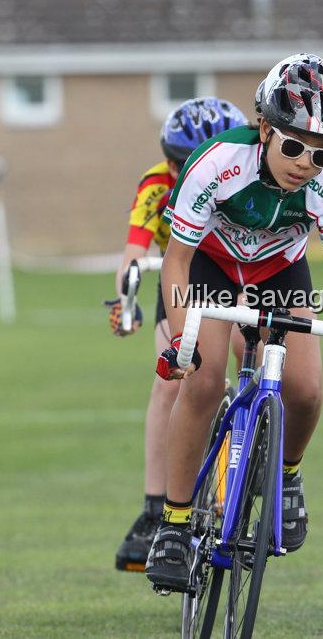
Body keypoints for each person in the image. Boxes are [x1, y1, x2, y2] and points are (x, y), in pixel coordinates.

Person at [145, 54, 323, 592]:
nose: (306, 163)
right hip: (211, 265)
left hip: (281, 269)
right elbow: (176, 262)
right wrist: (184, 340)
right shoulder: (215, 162)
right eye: (294, 145)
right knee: (203, 381)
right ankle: (175, 524)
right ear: (265, 130)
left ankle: (289, 476)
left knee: (306, 390)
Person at [108, 96, 248, 572]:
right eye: (176, 162)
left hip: (241, 275)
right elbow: (134, 251)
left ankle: (254, 459)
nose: (184, 171)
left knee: (246, 349)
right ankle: (154, 508)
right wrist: (125, 302)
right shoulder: (156, 184)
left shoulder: (242, 174)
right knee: (171, 378)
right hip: (185, 279)